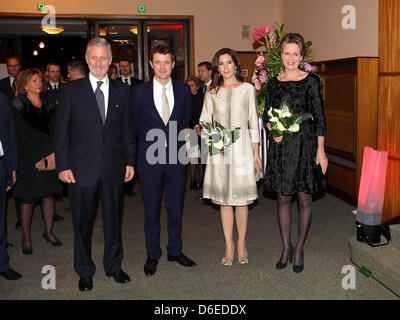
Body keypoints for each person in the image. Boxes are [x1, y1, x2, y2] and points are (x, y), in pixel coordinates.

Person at [55, 37, 136, 292]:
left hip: (113, 166)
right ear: (87, 59)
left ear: (110, 61)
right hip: (80, 168)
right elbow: (61, 133)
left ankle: (114, 266)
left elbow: (127, 131)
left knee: (113, 220)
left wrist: (130, 162)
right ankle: (84, 270)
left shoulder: (123, 91)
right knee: (82, 222)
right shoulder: (71, 90)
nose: (99, 62)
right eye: (94, 57)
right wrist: (63, 165)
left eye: (103, 58)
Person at [262, 33, 328, 273]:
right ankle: (285, 247)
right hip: (281, 147)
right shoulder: (273, 83)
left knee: (303, 197)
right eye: (287, 53)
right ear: (281, 55)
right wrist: (272, 130)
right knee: (282, 197)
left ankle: (299, 247)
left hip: (305, 145)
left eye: (295, 54)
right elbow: (266, 115)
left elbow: (319, 117)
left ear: (302, 56)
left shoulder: (311, 81)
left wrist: (321, 152)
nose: (291, 58)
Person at [132, 45, 196, 277]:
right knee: (151, 209)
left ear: (173, 64)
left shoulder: (183, 90)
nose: (162, 67)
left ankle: (175, 250)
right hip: (149, 158)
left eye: (166, 62)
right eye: (157, 62)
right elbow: (135, 125)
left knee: (175, 207)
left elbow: (186, 118)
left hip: (176, 157)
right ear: (151, 64)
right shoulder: (139, 92)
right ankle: (152, 254)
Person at [198, 48, 262, 266]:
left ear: (236, 64)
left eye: (228, 63)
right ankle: (229, 244)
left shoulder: (247, 89)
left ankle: (242, 242)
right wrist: (209, 135)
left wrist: (256, 153)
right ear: (217, 68)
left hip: (243, 148)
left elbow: (254, 121)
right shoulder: (212, 92)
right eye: (221, 64)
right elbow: (204, 121)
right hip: (220, 151)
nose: (225, 67)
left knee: (242, 201)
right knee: (225, 201)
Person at [10, 69, 63, 256]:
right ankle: (26, 238)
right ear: (24, 84)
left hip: (50, 158)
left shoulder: (50, 103)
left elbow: (57, 131)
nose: (38, 83)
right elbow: (20, 136)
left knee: (48, 196)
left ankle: (49, 233)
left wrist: (53, 155)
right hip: (28, 159)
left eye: (40, 80)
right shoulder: (18, 104)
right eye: (33, 80)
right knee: (27, 199)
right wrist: (38, 158)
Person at [0, 92, 21, 280]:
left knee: (0, 220)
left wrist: (12, 167)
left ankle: (2, 263)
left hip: (1, 166)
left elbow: (10, 134)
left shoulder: (2, 99)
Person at [194, 61, 213, 200]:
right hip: (202, 131)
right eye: (199, 71)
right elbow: (197, 110)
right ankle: (208, 192)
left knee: (215, 162)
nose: (200, 73)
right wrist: (196, 125)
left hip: (214, 130)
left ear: (210, 71)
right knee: (205, 161)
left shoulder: (216, 87)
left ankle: (215, 191)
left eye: (202, 71)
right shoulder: (201, 89)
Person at [185, 75, 203, 190]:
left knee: (200, 156)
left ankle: (200, 180)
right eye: (188, 86)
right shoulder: (186, 99)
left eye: (192, 85)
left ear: (197, 86)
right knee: (192, 155)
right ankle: (192, 180)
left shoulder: (202, 97)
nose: (190, 88)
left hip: (201, 129)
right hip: (189, 129)